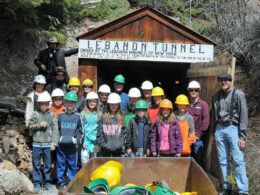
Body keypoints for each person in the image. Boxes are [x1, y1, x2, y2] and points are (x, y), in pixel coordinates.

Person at [212, 73, 248, 195]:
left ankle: (243, 190)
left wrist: (243, 136)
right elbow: (213, 116)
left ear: (230, 81)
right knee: (223, 161)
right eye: (221, 80)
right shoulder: (216, 95)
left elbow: (244, 115)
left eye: (226, 80)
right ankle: (228, 186)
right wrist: (213, 133)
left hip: (234, 129)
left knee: (238, 161)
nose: (224, 82)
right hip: (219, 129)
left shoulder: (238, 94)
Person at [28, 92, 59, 192]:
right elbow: (30, 126)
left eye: (45, 104)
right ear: (38, 104)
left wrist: (54, 143)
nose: (43, 106)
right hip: (37, 143)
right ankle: (37, 183)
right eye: (41, 104)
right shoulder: (35, 114)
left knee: (47, 164)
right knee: (36, 164)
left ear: (48, 104)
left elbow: (55, 129)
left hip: (48, 143)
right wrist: (39, 125)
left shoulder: (51, 114)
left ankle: (47, 182)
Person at [56, 91, 83, 190]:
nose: (70, 104)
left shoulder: (77, 116)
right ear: (65, 102)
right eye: (68, 102)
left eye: (72, 102)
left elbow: (81, 131)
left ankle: (72, 183)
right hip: (61, 146)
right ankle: (60, 182)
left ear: (75, 103)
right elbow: (56, 129)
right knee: (60, 164)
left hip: (72, 146)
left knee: (72, 165)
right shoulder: (61, 115)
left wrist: (77, 142)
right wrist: (58, 140)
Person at [186, 81, 210, 167]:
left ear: (199, 91)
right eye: (191, 90)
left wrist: (198, 135)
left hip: (197, 139)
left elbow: (206, 121)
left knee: (198, 160)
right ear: (188, 91)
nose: (193, 92)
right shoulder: (185, 105)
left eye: (196, 90)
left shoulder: (203, 105)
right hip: (186, 138)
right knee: (186, 160)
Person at [97, 93, 126, 157]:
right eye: (112, 104)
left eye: (116, 104)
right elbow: (99, 134)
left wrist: (120, 144)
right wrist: (104, 145)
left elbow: (124, 133)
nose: (114, 106)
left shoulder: (121, 117)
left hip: (118, 150)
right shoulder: (103, 117)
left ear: (118, 105)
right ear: (108, 104)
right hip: (106, 150)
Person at [81, 92, 102, 158]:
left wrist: (100, 143)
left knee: (95, 160)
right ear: (87, 102)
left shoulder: (99, 114)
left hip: (96, 142)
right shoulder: (83, 114)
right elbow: (81, 129)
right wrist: (84, 142)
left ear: (97, 103)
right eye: (90, 101)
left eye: (94, 101)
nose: (92, 103)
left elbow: (101, 129)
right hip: (86, 142)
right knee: (85, 161)